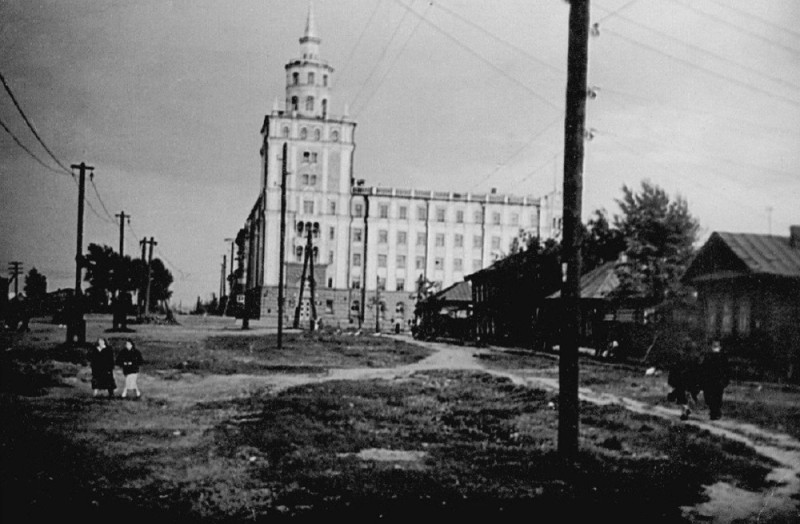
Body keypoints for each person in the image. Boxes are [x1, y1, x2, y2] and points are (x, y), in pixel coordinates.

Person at [667, 341, 702, 421]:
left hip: (682, 380)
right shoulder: (695, 358)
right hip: (692, 380)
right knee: (691, 396)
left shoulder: (680, 357)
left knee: (682, 397)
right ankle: (687, 409)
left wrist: (671, 381)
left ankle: (685, 411)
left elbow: (674, 370)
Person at [699, 339, 730, 420]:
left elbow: (726, 370)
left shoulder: (723, 357)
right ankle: (714, 411)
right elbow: (703, 369)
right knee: (709, 397)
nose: (715, 347)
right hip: (709, 381)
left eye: (717, 346)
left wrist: (725, 380)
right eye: (714, 345)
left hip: (718, 381)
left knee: (718, 397)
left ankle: (715, 412)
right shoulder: (708, 356)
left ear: (720, 347)